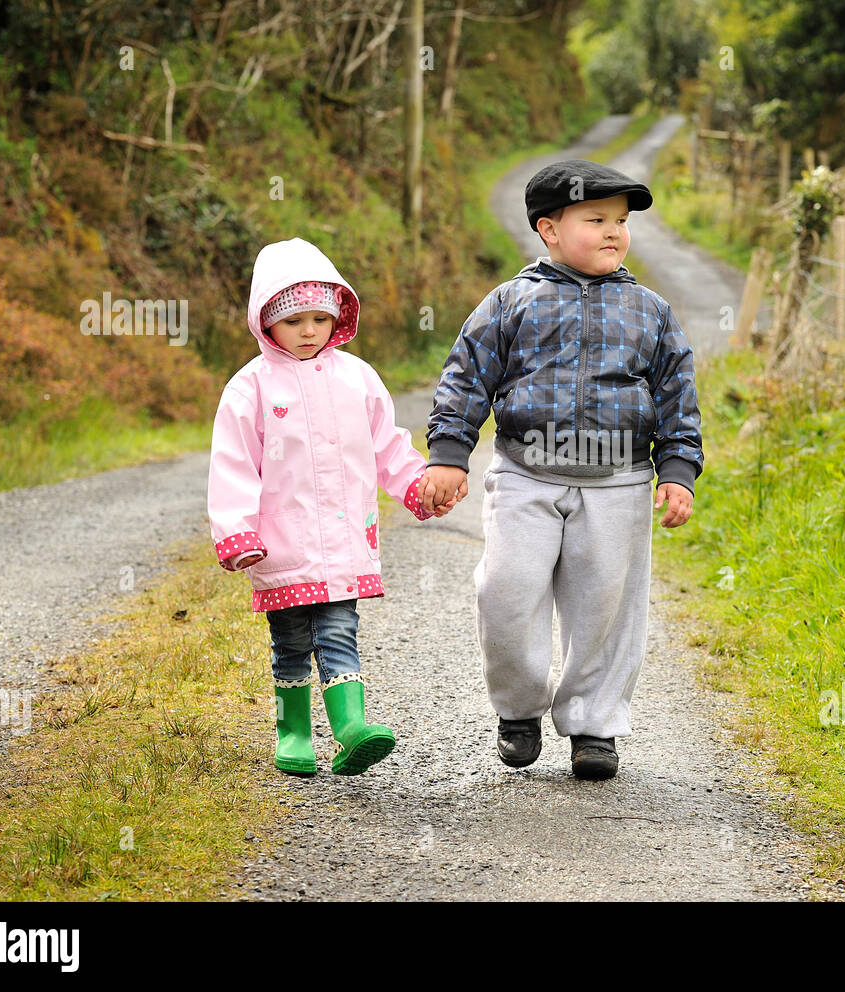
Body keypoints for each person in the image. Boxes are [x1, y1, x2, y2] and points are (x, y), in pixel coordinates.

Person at [420, 159, 703, 780]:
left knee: (605, 605)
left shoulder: (649, 311)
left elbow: (677, 394)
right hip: (526, 473)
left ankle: (593, 724)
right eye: (596, 219)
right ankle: (519, 707)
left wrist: (677, 469)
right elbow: (465, 378)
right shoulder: (511, 302)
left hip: (621, 481)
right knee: (506, 590)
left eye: (621, 222)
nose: (614, 232)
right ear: (547, 228)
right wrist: (448, 455)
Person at [208, 238, 463, 777]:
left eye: (320, 318)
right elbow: (233, 464)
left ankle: (350, 731)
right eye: (293, 319)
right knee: (292, 643)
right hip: (281, 546)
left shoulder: (358, 378)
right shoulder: (249, 389)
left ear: (337, 316)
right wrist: (236, 531)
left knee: (339, 631)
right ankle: (294, 732)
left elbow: (388, 447)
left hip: (346, 543)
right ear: (266, 321)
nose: (308, 331)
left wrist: (418, 487)